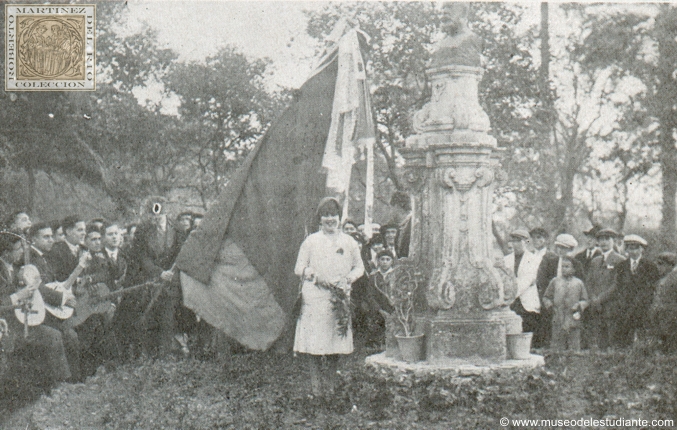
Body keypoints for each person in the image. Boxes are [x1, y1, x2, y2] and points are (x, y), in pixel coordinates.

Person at [294, 197, 364, 397]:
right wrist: (313, 275)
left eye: (333, 214)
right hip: (315, 298)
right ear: (320, 218)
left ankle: (330, 387)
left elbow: (359, 267)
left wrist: (348, 279)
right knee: (314, 343)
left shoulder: (348, 241)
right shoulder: (311, 241)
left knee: (334, 342)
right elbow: (298, 267)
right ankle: (316, 389)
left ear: (339, 217)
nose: (330, 219)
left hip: (339, 298)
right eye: (325, 215)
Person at [0, 234, 71, 385]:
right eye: (18, 249)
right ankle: (60, 385)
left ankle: (59, 384)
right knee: (53, 336)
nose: (22, 252)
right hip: (10, 326)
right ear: (6, 253)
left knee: (60, 330)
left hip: (23, 319)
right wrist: (19, 295)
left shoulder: (16, 268)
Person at [117, 197, 180, 359]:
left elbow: (180, 255)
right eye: (152, 216)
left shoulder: (178, 229)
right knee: (149, 319)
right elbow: (142, 258)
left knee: (168, 321)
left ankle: (165, 358)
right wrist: (158, 272)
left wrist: (170, 275)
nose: (156, 220)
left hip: (171, 283)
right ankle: (151, 358)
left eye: (159, 216)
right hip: (150, 283)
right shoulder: (143, 231)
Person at [608, 235, 660, 349]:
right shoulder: (622, 266)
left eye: (636, 248)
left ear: (642, 249)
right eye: (630, 248)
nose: (633, 251)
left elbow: (652, 289)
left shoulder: (650, 266)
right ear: (626, 250)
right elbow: (618, 287)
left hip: (643, 308)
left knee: (642, 339)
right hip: (625, 308)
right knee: (624, 338)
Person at [535, 234, 582, 348]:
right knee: (553, 335)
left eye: (564, 248)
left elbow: (581, 286)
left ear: (570, 249)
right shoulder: (550, 262)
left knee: (571, 335)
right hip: (553, 306)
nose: (560, 250)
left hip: (570, 306)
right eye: (558, 247)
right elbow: (542, 283)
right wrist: (548, 303)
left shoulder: (576, 264)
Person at [583, 228, 626, 351]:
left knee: (612, 341)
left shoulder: (620, 260)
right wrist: (593, 298)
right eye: (601, 239)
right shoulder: (595, 261)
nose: (604, 242)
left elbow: (616, 284)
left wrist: (600, 299)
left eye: (607, 239)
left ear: (614, 241)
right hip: (596, 307)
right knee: (598, 340)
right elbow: (589, 282)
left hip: (611, 307)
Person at [542, 256, 589, 352]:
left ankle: (574, 364)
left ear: (574, 269)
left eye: (567, 266)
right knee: (557, 347)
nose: (564, 269)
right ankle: (557, 364)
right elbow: (546, 297)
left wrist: (579, 305)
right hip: (558, 318)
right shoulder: (555, 281)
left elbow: (586, 300)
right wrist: (550, 306)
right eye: (562, 266)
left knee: (574, 347)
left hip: (573, 320)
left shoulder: (578, 283)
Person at [505, 229, 541, 335]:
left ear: (526, 242)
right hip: (511, 303)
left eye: (519, 241)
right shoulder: (506, 260)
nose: (516, 244)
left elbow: (527, 279)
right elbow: (505, 279)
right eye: (514, 241)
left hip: (527, 303)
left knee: (527, 333)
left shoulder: (534, 259)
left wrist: (512, 292)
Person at [364, 250, 396, 348]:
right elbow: (370, 296)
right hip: (378, 310)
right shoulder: (373, 277)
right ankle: (377, 346)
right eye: (382, 259)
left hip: (393, 309)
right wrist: (379, 310)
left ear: (392, 261)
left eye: (387, 259)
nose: (385, 262)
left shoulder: (396, 275)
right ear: (378, 261)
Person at [650, 252, 677, 353]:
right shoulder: (662, 279)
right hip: (661, 320)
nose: (658, 267)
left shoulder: (674, 279)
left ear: (670, 265)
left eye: (661, 264)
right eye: (657, 264)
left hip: (672, 321)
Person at [389, 191, 412, 258]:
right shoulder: (398, 226)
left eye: (391, 207)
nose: (390, 212)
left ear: (396, 206)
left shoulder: (414, 225)